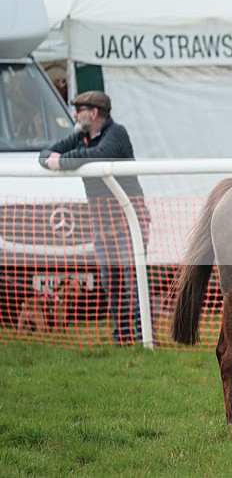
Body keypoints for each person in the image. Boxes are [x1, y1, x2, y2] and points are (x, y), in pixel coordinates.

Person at [39, 91, 149, 344]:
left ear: (95, 113)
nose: (75, 114)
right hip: (102, 224)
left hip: (129, 221)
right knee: (113, 285)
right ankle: (123, 338)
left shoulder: (117, 133)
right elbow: (46, 155)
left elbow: (98, 155)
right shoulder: (81, 137)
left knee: (134, 283)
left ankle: (146, 337)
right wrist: (58, 159)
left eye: (79, 109)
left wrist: (62, 161)